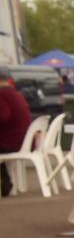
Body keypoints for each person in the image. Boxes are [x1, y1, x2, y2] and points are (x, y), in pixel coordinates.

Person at [0, 66, 33, 196]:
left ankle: (5, 182)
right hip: (23, 140)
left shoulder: (1, 94)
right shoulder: (15, 93)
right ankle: (5, 181)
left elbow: (3, 117)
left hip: (11, 142)